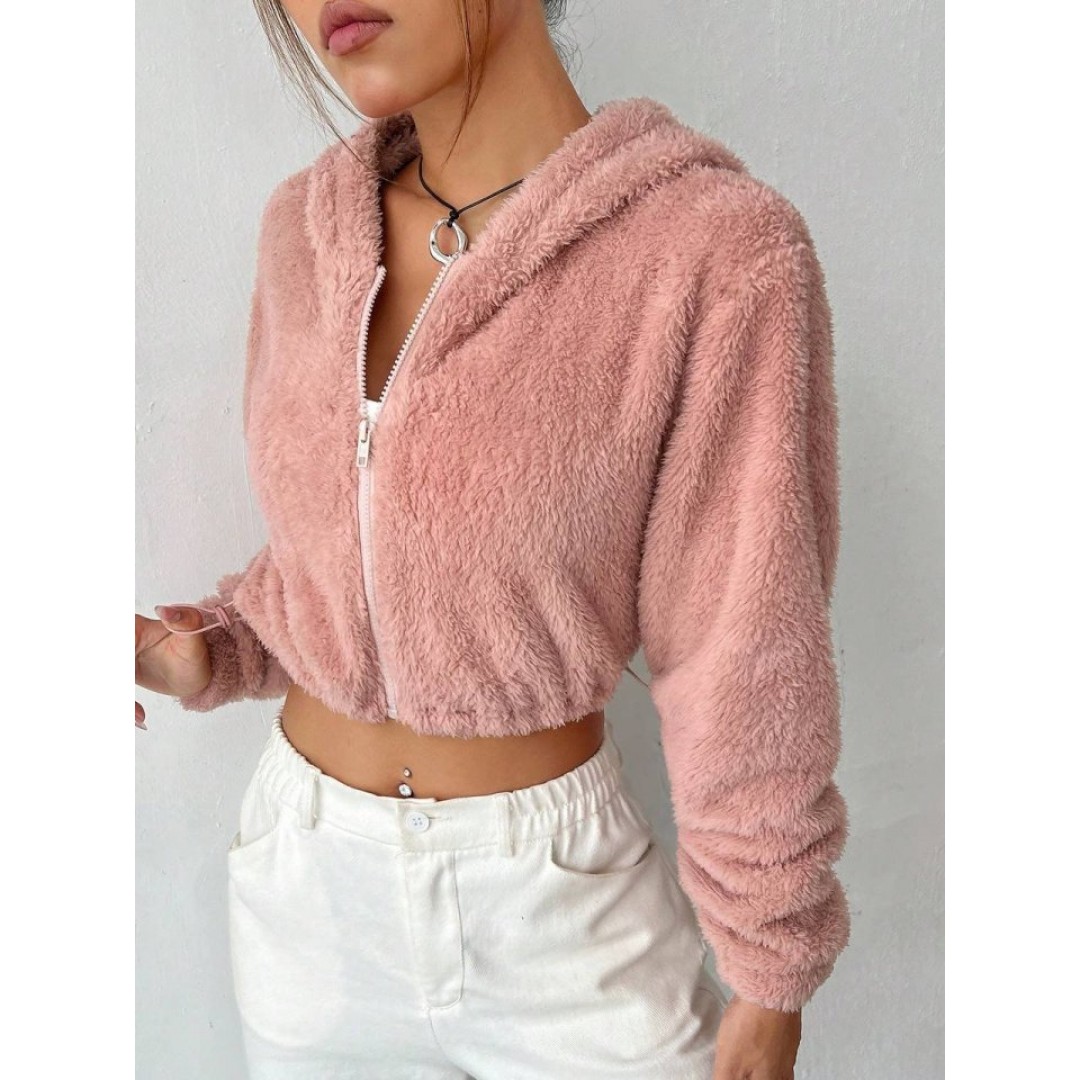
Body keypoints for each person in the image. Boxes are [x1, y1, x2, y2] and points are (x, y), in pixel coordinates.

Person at [135, 1, 852, 1077]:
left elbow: (743, 638)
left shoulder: (712, 250)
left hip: (559, 917)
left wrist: (769, 960)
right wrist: (217, 647)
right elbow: (345, 560)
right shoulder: (304, 232)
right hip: (309, 905)